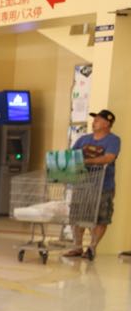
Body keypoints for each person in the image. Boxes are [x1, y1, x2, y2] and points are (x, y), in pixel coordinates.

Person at [65, 108, 119, 260]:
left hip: (103, 185)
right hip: (82, 183)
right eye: (94, 119)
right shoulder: (83, 139)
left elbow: (109, 157)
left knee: (101, 217)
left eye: (98, 119)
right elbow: (71, 155)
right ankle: (77, 246)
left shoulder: (113, 140)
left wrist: (87, 161)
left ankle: (92, 247)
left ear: (107, 123)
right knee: (77, 215)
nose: (94, 121)